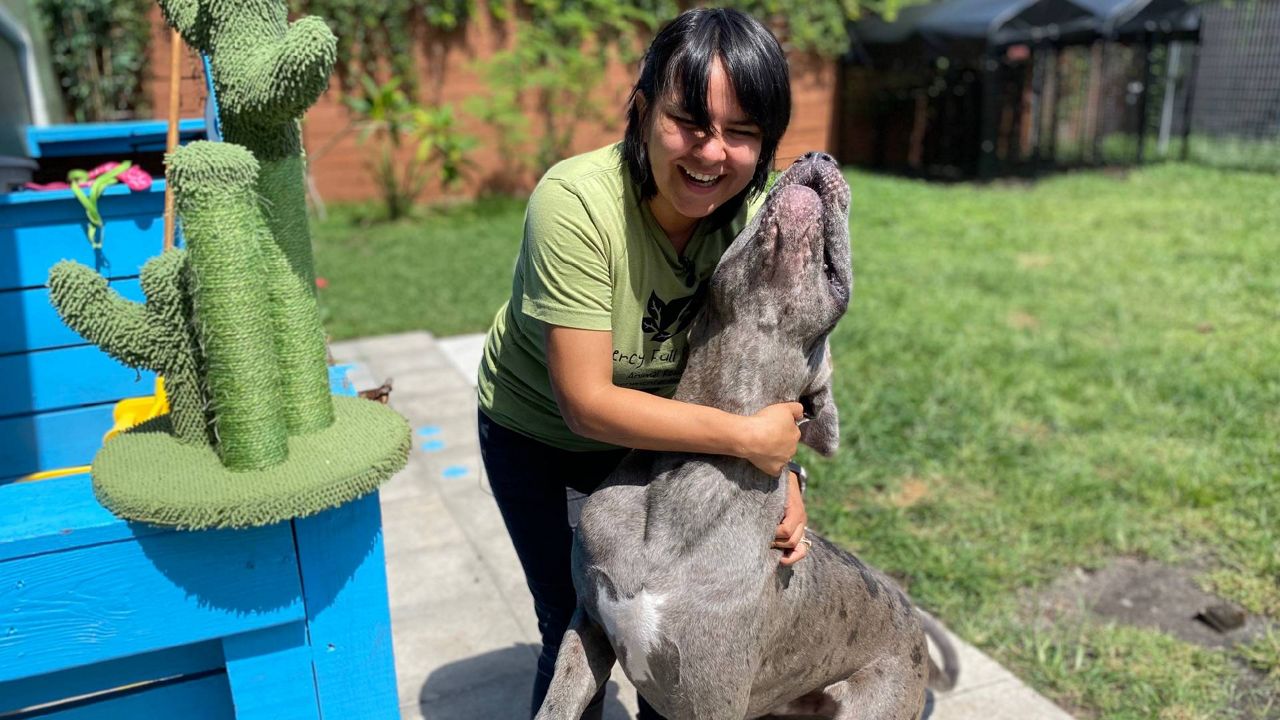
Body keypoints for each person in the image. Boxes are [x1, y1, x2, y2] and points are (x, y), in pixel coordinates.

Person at [476, 8, 808, 719]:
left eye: (742, 132)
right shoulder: (575, 204)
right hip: (541, 436)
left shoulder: (756, 219)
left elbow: (772, 362)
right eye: (689, 121)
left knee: (684, 619)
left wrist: (786, 474)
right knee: (575, 623)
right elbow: (586, 403)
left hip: (672, 439)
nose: (712, 153)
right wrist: (750, 440)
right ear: (643, 108)